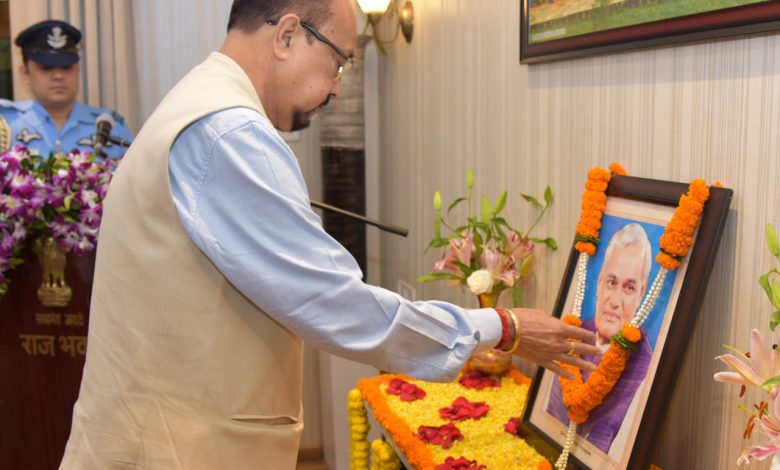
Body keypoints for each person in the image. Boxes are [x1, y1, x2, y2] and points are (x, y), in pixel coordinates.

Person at [60, 1, 600, 468]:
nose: (338, 88)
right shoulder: (230, 132)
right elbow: (332, 303)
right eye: (339, 62)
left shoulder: (200, 100)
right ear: (287, 35)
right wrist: (500, 326)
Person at [546, 222, 654, 455]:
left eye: (629, 287)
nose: (615, 301)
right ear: (599, 283)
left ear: (641, 293)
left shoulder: (646, 368)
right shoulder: (572, 336)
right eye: (612, 282)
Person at [0, 20, 133, 159]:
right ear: (25, 73)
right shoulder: (6, 125)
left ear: (77, 69)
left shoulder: (110, 127)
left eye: (66, 67)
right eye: (46, 68)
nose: (58, 76)